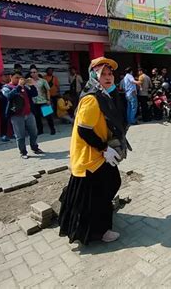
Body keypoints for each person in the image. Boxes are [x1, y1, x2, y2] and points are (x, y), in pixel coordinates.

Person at [59, 56, 130, 244]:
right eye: (102, 74)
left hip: (97, 154)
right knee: (102, 189)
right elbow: (84, 130)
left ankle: (94, 226)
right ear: (93, 76)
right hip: (91, 155)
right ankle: (100, 231)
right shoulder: (92, 98)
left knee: (101, 189)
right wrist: (104, 148)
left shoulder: (105, 95)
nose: (108, 77)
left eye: (110, 74)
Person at [2, 71, 44, 159]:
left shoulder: (25, 87)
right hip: (16, 115)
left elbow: (34, 94)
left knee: (34, 132)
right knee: (20, 135)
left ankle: (35, 147)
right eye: (16, 78)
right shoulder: (6, 87)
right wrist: (18, 86)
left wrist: (32, 85)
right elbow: (9, 96)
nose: (19, 80)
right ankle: (23, 152)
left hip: (29, 113)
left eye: (20, 78)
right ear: (11, 77)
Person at [30, 67, 56, 135]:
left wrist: (48, 99)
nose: (33, 74)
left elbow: (47, 90)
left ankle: (52, 129)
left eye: (34, 72)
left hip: (44, 101)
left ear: (37, 73)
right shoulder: (29, 81)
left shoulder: (43, 81)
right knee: (37, 117)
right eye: (31, 72)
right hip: (35, 102)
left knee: (48, 116)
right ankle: (40, 130)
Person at [0, 70, 12, 141]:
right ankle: (3, 135)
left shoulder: (11, 84)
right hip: (3, 105)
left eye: (8, 75)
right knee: (4, 120)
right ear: (1, 77)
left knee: (13, 119)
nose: (7, 77)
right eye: (5, 75)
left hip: (12, 104)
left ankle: (15, 134)